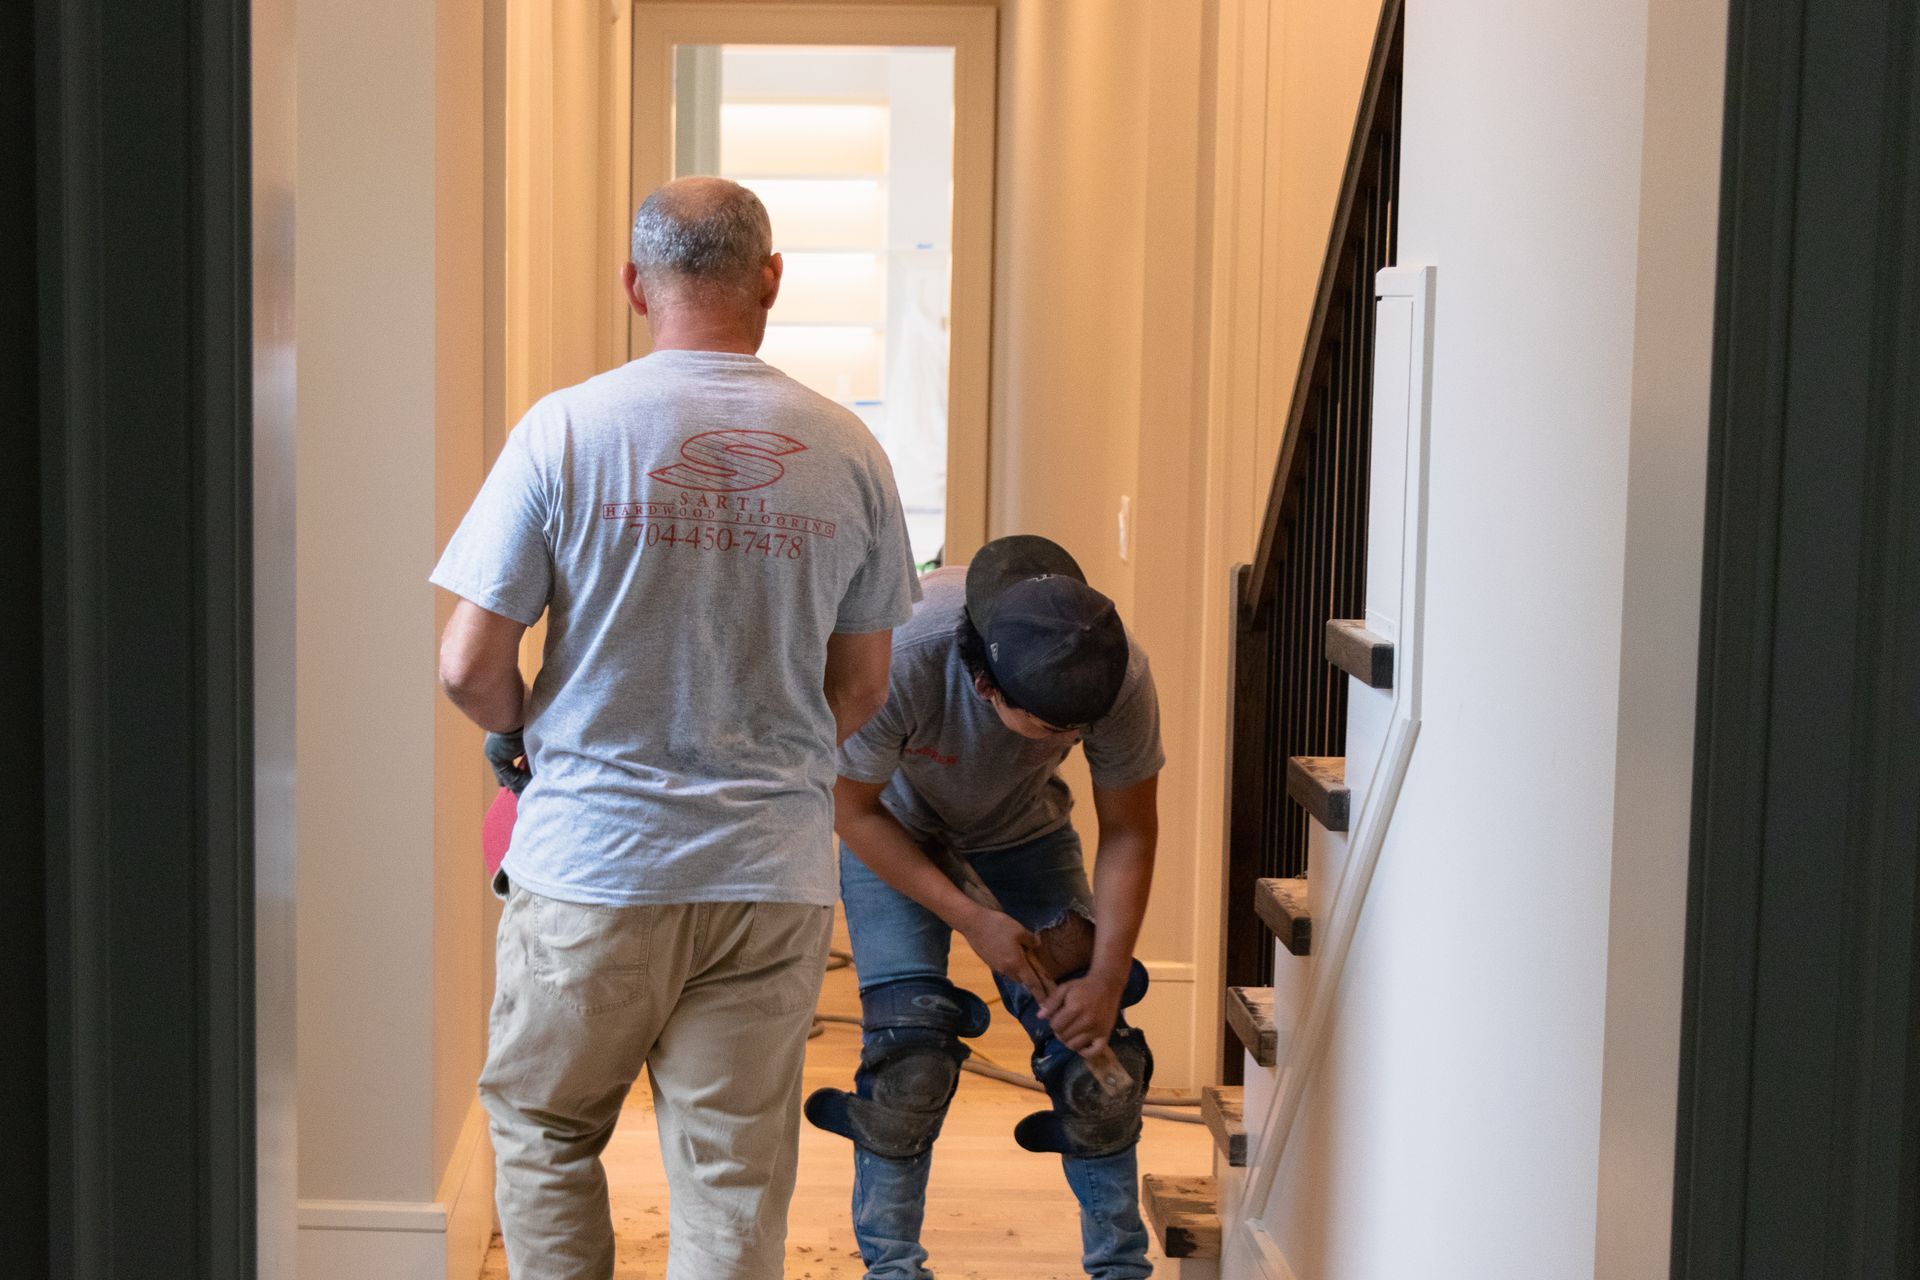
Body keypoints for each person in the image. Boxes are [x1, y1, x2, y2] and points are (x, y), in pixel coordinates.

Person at [431, 176, 920, 1280]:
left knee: (550, 1131)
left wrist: (526, 733)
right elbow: (863, 684)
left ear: (634, 286)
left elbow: (468, 664)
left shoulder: (567, 429)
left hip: (594, 864)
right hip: (768, 874)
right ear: (772, 279)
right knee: (735, 1174)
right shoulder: (847, 450)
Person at [810, 535, 1164, 1280]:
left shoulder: (1117, 670)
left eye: (1079, 728)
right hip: (891, 826)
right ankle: (893, 1269)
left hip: (1022, 831)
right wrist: (972, 920)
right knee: (909, 1059)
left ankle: (1122, 1269)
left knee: (1097, 1065)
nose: (1071, 741)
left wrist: (1104, 977)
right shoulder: (902, 655)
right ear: (984, 685)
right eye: (1051, 729)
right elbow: (851, 810)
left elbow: (1130, 828)